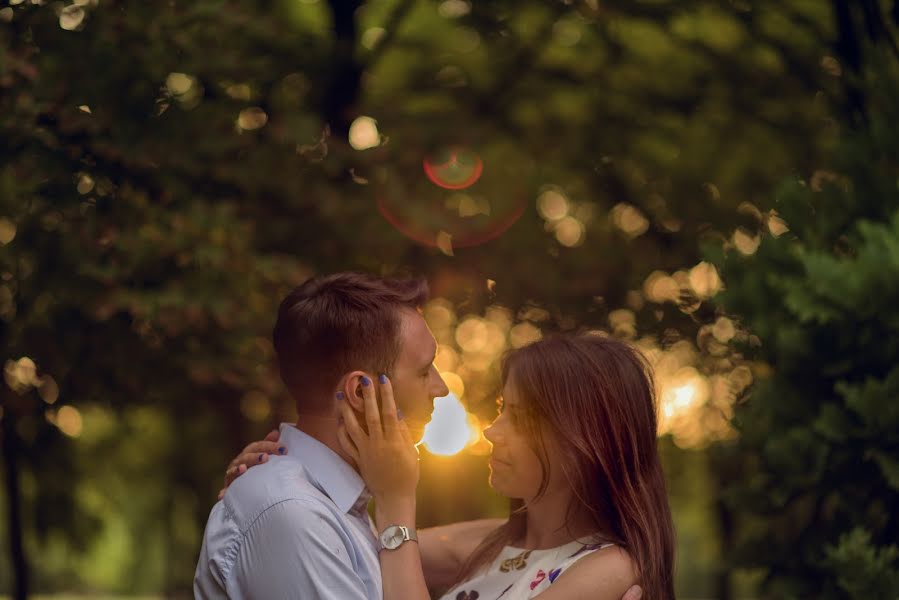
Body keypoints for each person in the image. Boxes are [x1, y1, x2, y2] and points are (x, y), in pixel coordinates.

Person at [227, 327, 670, 598]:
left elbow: (392, 546)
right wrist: (276, 489)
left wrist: (397, 498)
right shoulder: (491, 542)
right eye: (501, 409)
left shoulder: (608, 569)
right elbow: (341, 545)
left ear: (583, 439)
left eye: (519, 418)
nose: (493, 431)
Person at [194, 272, 451, 599]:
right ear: (361, 391)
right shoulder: (294, 516)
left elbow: (496, 545)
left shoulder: (334, 507)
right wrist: (399, 503)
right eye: (425, 370)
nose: (440, 388)